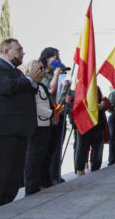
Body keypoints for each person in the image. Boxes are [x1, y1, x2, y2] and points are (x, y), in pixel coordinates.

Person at [0, 39, 41, 210]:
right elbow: (7, 87)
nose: (22, 53)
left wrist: (33, 80)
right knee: (0, 172)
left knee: (14, 173)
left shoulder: (17, 72)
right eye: (19, 49)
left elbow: (26, 89)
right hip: (3, 131)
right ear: (6, 50)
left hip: (19, 129)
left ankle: (7, 205)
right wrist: (29, 79)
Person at [24, 60, 58, 195]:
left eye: (43, 68)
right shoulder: (31, 87)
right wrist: (51, 114)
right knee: (33, 157)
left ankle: (41, 181)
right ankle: (30, 186)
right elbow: (33, 106)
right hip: (36, 126)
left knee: (43, 155)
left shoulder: (41, 86)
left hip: (45, 125)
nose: (43, 71)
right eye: (40, 69)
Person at [39, 47, 70, 186]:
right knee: (47, 149)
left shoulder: (59, 74)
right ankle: (46, 178)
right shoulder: (43, 74)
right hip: (48, 116)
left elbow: (60, 95)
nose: (58, 61)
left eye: (59, 57)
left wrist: (66, 90)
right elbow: (50, 90)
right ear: (47, 59)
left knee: (57, 148)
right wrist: (57, 75)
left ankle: (55, 175)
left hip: (60, 114)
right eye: (55, 58)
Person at [74, 87, 108, 176]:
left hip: (98, 122)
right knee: (82, 147)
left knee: (98, 147)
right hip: (84, 122)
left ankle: (95, 169)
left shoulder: (96, 88)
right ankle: (80, 170)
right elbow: (76, 104)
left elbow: (101, 101)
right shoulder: (79, 86)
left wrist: (102, 104)